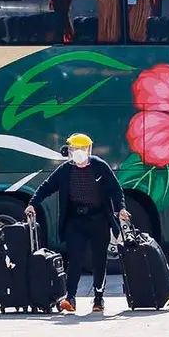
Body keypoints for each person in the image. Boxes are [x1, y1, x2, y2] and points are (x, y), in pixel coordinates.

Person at [25, 133, 130, 314]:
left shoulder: (100, 166)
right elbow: (46, 187)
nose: (80, 153)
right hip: (76, 220)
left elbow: (116, 190)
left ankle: (98, 298)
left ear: (89, 150)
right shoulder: (65, 170)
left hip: (99, 219)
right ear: (70, 151)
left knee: (99, 260)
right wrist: (32, 204)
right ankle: (70, 297)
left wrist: (121, 208)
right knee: (75, 259)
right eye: (76, 149)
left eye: (84, 149)